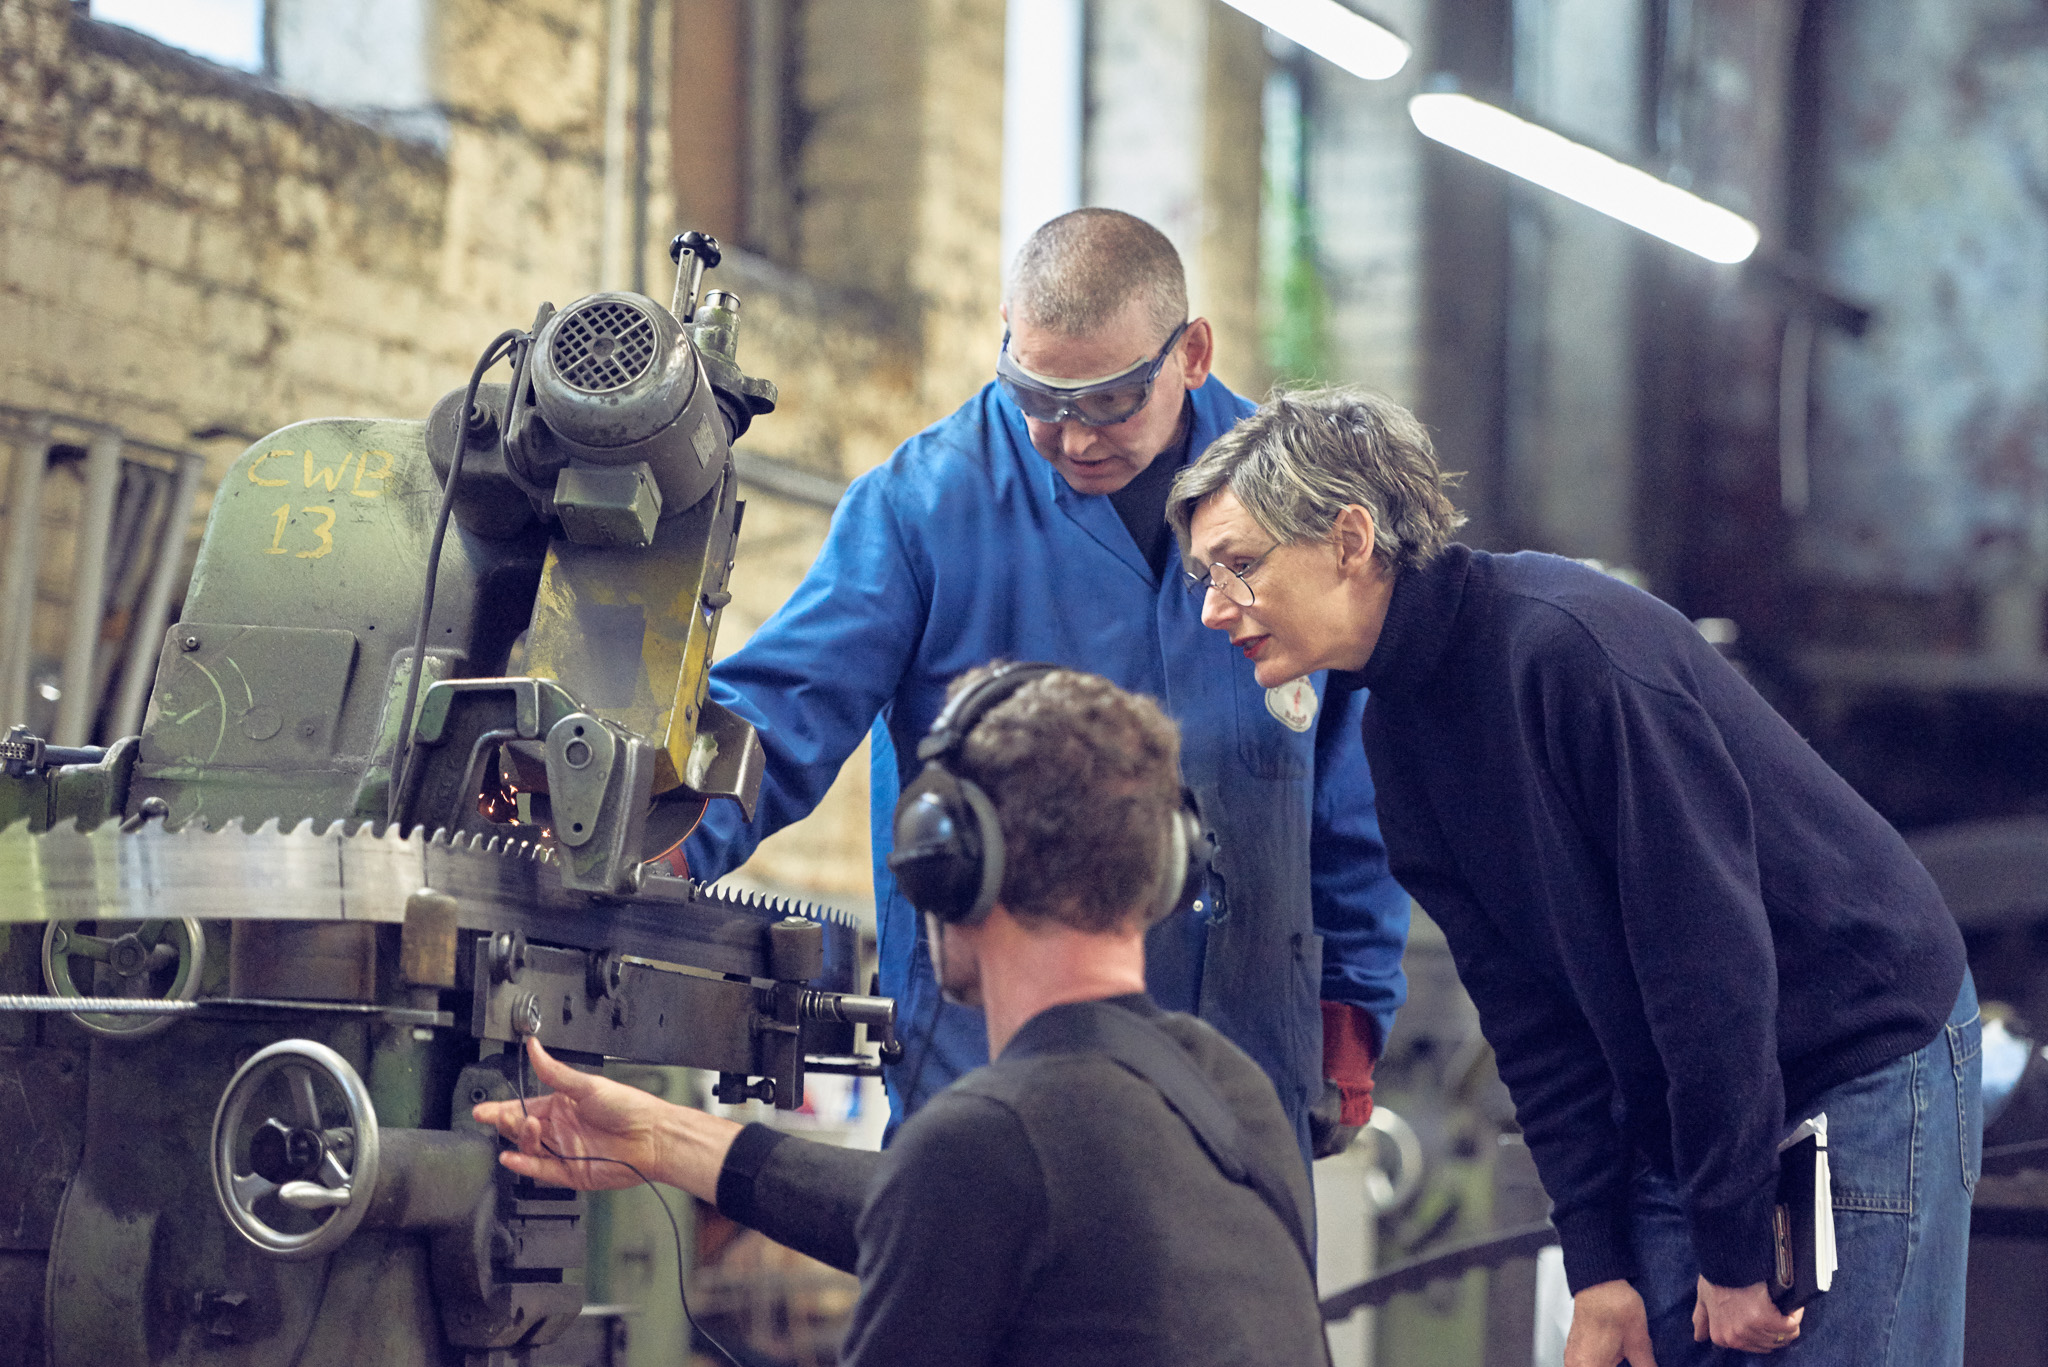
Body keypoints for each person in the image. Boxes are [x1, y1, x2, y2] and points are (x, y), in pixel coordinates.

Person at [1166, 386, 1981, 1367]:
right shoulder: (1400, 731)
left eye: (1239, 565)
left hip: (1850, 1043)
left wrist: (1731, 1246)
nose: (1213, 607)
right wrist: (1597, 1264)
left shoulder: (1570, 653)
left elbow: (1706, 964)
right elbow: (1525, 1013)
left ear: (1349, 539)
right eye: (1203, 576)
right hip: (1695, 1084)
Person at [681, 208, 1409, 1161]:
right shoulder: (922, 509)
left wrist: (1350, 1015)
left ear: (1191, 354)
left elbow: (1357, 789)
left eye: (1108, 401)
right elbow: (780, 713)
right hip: (988, 1079)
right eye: (1036, 394)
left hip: (1246, 1077)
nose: (1069, 436)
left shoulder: (1293, 505)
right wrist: (659, 833)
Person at [478, 665, 1331, 1366]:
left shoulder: (988, 1142)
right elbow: (935, 1209)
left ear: (943, 862)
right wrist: (662, 1137)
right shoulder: (1228, 1093)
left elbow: (953, 1192)